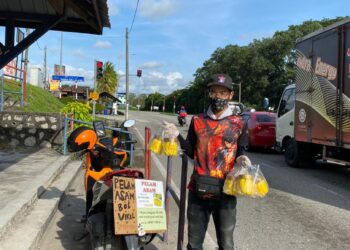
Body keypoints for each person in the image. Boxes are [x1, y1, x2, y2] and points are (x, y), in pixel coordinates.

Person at [163, 74, 250, 250]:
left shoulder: (239, 123)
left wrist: (242, 160)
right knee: (194, 244)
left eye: (223, 92)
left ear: (230, 95)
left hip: (226, 192)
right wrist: (176, 135)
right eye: (214, 92)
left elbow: (240, 151)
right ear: (209, 94)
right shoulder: (197, 121)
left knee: (226, 244)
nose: (218, 96)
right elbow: (190, 151)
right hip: (198, 190)